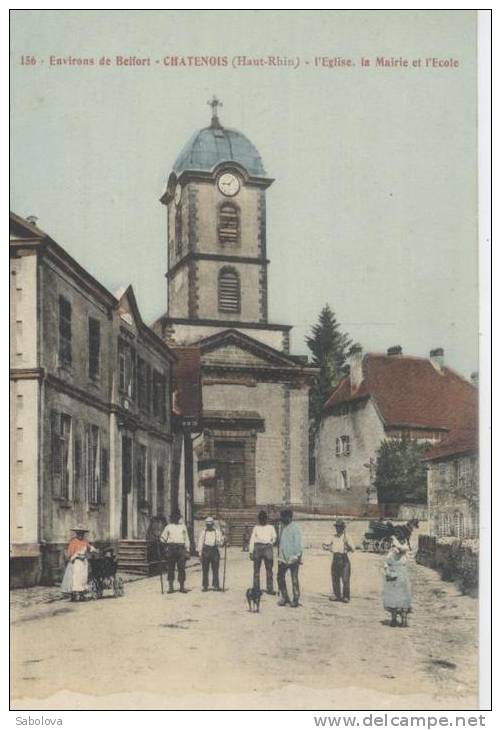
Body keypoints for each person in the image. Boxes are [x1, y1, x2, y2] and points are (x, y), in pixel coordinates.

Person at [383, 528, 412, 627]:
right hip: (393, 572)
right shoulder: (392, 548)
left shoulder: (405, 546)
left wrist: (395, 542)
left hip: (401, 573)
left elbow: (401, 550)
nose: (397, 537)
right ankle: (394, 619)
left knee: (403, 596)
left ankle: (404, 619)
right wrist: (386, 569)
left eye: (399, 535)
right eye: (396, 534)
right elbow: (386, 560)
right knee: (393, 595)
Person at [61, 526, 97, 601]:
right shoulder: (73, 542)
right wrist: (77, 556)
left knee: (83, 578)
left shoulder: (84, 541)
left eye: (82, 533)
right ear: (76, 534)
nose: (80, 535)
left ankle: (81, 594)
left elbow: (89, 547)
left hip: (83, 563)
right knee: (76, 578)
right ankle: (75, 595)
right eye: (79, 533)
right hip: (76, 563)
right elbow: (70, 554)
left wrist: (94, 550)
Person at [322, 518, 354, 602]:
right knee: (335, 578)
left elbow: (353, 549)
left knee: (345, 579)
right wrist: (328, 547)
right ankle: (337, 595)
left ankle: (346, 596)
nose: (338, 528)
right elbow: (324, 545)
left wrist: (347, 544)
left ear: (343, 528)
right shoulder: (332, 537)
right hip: (335, 558)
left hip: (344, 559)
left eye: (339, 527)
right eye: (337, 527)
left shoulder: (347, 537)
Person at [277, 509, 303, 608]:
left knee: (294, 579)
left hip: (293, 558)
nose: (282, 519)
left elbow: (298, 544)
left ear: (289, 517)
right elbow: (282, 544)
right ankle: (285, 597)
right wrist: (279, 558)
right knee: (280, 577)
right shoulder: (283, 528)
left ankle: (295, 599)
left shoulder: (295, 528)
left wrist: (297, 556)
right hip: (283, 559)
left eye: (283, 517)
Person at [160, 509, 190, 593]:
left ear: (179, 518)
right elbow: (163, 538)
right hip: (171, 548)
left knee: (181, 568)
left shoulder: (183, 526)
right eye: (174, 517)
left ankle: (182, 587)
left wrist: (187, 550)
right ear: (172, 518)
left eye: (178, 517)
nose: (176, 518)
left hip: (181, 548)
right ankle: (171, 587)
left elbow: (186, 539)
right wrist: (164, 546)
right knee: (170, 568)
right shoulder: (168, 527)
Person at [249, 510, 277, 595]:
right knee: (256, 570)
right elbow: (252, 540)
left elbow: (275, 537)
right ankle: (256, 588)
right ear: (259, 519)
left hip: (267, 548)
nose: (262, 520)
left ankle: (270, 588)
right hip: (257, 548)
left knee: (269, 569)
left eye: (264, 518)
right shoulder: (256, 528)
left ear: (266, 519)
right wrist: (251, 551)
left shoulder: (271, 527)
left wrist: (271, 543)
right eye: (261, 519)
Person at [197, 516, 224, 591]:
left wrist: (223, 540)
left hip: (214, 551)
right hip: (205, 551)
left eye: (210, 524)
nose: (209, 526)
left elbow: (220, 543)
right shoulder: (203, 532)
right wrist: (200, 554)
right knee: (205, 569)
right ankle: (205, 586)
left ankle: (216, 585)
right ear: (206, 524)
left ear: (213, 524)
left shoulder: (217, 532)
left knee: (215, 569)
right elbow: (200, 543)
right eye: (207, 524)